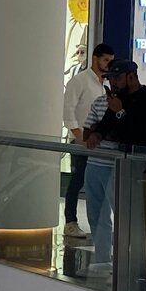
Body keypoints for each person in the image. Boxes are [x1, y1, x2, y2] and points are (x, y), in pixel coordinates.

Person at [86, 59, 146, 291]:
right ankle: (134, 267)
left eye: (117, 77)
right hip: (127, 167)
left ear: (131, 76)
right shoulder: (118, 100)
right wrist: (97, 135)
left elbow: (141, 135)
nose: (113, 82)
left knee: (144, 222)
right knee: (128, 220)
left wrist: (120, 112)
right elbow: (106, 124)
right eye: (111, 78)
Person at [62, 43, 114, 238]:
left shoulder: (106, 85)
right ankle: (70, 221)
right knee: (77, 182)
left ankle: (100, 223)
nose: (108, 64)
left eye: (111, 61)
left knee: (98, 184)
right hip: (82, 143)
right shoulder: (79, 81)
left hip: (100, 144)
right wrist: (80, 138)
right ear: (95, 58)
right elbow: (68, 112)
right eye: (105, 60)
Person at [82, 91, 119, 273]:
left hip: (117, 165)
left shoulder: (128, 104)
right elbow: (87, 134)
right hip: (94, 163)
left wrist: (100, 130)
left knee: (121, 215)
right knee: (96, 214)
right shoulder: (99, 102)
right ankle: (102, 259)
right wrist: (99, 131)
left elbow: (122, 133)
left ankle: (123, 262)